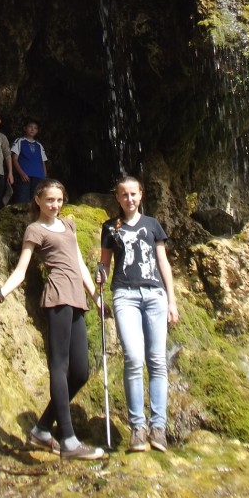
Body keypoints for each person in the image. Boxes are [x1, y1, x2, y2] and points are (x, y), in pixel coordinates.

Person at [0, 180, 104, 460]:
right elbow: (22, 270)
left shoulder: (68, 226)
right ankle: (69, 440)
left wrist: (96, 297)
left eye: (59, 200)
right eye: (50, 200)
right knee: (60, 366)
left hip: (78, 298)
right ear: (38, 200)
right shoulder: (35, 229)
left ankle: (41, 429)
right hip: (58, 297)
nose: (55, 205)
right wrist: (0, 293)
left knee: (80, 373)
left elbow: (78, 264)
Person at [98, 175, 179, 453]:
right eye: (124, 195)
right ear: (118, 198)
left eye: (133, 194)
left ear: (141, 195)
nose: (129, 199)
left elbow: (163, 263)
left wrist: (172, 300)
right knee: (133, 357)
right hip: (125, 295)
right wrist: (98, 282)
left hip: (155, 295)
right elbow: (105, 264)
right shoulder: (109, 227)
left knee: (156, 360)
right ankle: (138, 427)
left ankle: (159, 426)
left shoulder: (153, 224)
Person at [10, 119, 47, 204]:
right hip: (25, 176)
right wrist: (21, 173)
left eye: (35, 128)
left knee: (36, 202)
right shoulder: (19, 141)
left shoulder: (39, 145)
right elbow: (14, 159)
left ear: (37, 131)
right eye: (30, 127)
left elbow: (43, 163)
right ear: (25, 128)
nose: (32, 129)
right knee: (22, 201)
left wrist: (44, 178)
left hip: (38, 177)